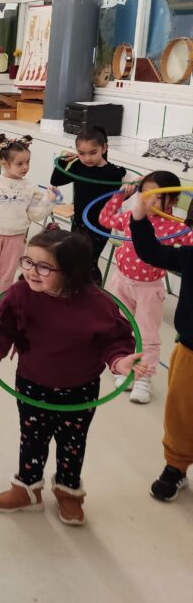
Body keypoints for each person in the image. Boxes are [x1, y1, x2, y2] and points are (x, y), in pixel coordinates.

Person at [0, 228, 144, 526]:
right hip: (32, 382)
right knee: (32, 438)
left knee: (72, 442)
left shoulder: (97, 304)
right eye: (28, 261)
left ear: (72, 272)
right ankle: (27, 489)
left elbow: (114, 340)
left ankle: (68, 491)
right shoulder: (20, 293)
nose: (31, 272)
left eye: (44, 267)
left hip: (80, 388)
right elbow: (3, 328)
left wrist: (121, 362)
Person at [99, 171, 193, 404]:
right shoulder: (131, 216)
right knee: (120, 327)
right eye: (144, 193)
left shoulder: (175, 227)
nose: (148, 199)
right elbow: (105, 219)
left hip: (149, 289)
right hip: (121, 281)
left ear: (172, 201)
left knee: (147, 335)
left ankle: (144, 377)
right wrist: (119, 197)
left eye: (156, 195)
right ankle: (124, 367)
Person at [128, 184, 193, 501]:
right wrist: (140, 219)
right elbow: (151, 252)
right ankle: (176, 466)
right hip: (190, 350)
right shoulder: (190, 255)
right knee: (181, 413)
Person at [0, 134, 58, 318]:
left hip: (16, 236)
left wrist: (49, 200)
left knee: (8, 273)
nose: (25, 167)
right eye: (19, 163)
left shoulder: (30, 188)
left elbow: (34, 214)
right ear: (4, 163)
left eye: (27, 163)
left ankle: (2, 303)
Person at [49, 126, 128, 284]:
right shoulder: (79, 166)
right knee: (76, 259)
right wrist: (63, 162)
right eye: (81, 153)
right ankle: (75, 290)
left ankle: (94, 292)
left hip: (100, 225)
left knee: (89, 262)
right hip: (79, 222)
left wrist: (127, 192)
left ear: (104, 148)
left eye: (93, 153)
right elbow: (56, 181)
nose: (87, 158)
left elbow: (114, 200)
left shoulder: (112, 173)